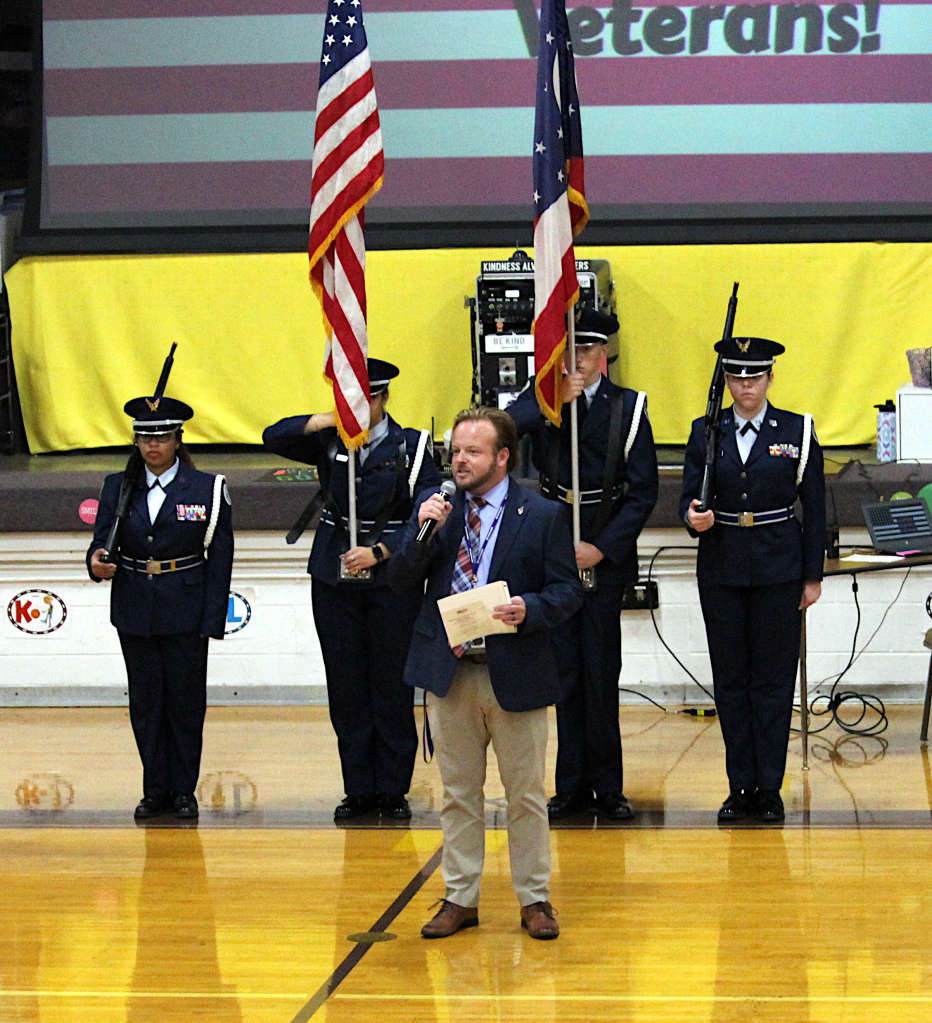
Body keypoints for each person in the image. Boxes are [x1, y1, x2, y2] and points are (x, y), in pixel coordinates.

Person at [388, 407, 583, 940]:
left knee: (525, 794)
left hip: (515, 669)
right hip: (451, 671)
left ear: (502, 457)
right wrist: (423, 533)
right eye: (455, 451)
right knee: (457, 793)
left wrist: (530, 609)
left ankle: (534, 898)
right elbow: (400, 580)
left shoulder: (541, 514)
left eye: (472, 451)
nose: (459, 461)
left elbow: (568, 591)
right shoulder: (438, 510)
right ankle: (460, 898)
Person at [263, 359, 440, 821]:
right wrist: (327, 419)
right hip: (334, 573)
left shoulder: (414, 446)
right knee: (346, 685)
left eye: (366, 398)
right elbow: (273, 437)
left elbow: (428, 515)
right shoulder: (330, 439)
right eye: (349, 398)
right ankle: (358, 788)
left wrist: (383, 551)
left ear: (383, 398)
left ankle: (393, 789)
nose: (359, 407)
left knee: (391, 684)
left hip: (392, 578)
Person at [507, 307, 658, 821]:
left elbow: (642, 492)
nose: (579, 359)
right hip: (555, 547)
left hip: (602, 545)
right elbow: (504, 430)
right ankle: (569, 785)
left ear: (604, 354)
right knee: (564, 672)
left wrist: (602, 547)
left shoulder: (629, 407)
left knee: (601, 669)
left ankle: (609, 787)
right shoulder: (544, 400)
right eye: (571, 349)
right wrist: (550, 402)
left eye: (588, 350)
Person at [680, 336, 825, 824]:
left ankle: (769, 788)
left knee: (773, 682)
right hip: (721, 567)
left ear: (770, 378)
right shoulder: (706, 430)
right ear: (726, 380)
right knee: (731, 682)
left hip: (778, 569)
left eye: (755, 376)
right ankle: (738, 785)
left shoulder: (798, 430)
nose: (746, 385)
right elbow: (687, 499)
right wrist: (692, 517)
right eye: (737, 376)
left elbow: (815, 508)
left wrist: (812, 576)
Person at [87, 394, 234, 821]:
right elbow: (101, 540)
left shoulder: (207, 487)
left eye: (163, 437)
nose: (153, 445)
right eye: (145, 437)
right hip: (135, 606)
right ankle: (155, 790)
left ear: (177, 440)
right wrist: (95, 562)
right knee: (146, 705)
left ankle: (184, 790)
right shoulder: (118, 486)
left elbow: (219, 558)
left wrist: (212, 619)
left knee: (185, 705)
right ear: (135, 441)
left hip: (186, 607)